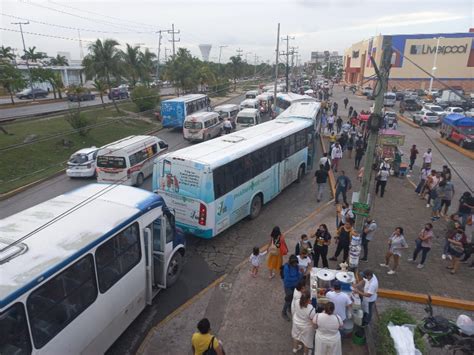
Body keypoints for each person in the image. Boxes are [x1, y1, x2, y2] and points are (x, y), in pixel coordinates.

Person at [292, 291, 316, 355]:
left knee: (296, 336)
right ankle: (306, 353)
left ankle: (295, 348)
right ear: (308, 299)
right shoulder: (311, 309)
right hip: (306, 326)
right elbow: (312, 319)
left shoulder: (297, 301)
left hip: (296, 322)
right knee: (306, 341)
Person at [282, 255, 302, 321]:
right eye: (294, 263)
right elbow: (287, 278)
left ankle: (289, 308)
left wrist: (300, 274)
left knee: (293, 298)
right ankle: (284, 312)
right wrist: (297, 278)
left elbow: (299, 275)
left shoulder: (296, 266)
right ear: (291, 262)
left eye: (296, 263)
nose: (295, 264)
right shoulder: (286, 267)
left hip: (294, 285)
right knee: (288, 299)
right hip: (288, 286)